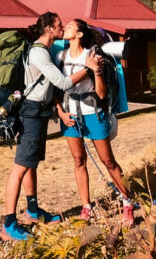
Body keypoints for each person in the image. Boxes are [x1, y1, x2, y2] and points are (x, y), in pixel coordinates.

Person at [0, 12, 97, 241]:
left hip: (39, 111)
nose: (62, 28)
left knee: (30, 164)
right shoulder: (38, 53)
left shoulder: (44, 50)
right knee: (20, 166)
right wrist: (88, 69)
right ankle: (8, 224)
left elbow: (51, 87)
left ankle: (33, 210)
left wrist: (59, 111)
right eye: (59, 25)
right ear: (48, 29)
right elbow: (62, 82)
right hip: (31, 113)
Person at [55, 19, 134, 226]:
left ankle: (127, 202)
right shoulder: (60, 56)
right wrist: (60, 112)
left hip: (93, 112)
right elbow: (54, 89)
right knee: (79, 160)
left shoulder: (92, 56)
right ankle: (86, 207)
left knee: (108, 161)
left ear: (80, 34)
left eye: (70, 27)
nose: (65, 29)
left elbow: (101, 92)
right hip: (69, 115)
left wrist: (96, 70)